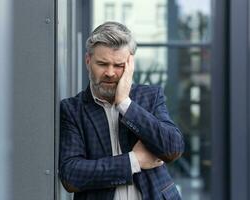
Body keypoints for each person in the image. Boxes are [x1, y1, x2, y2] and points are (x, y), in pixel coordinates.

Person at [59, 21, 185, 200]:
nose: (110, 73)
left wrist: (125, 104)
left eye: (118, 66)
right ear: (88, 61)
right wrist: (134, 161)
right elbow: (71, 175)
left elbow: (173, 148)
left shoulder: (150, 96)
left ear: (130, 64)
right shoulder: (72, 109)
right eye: (102, 64)